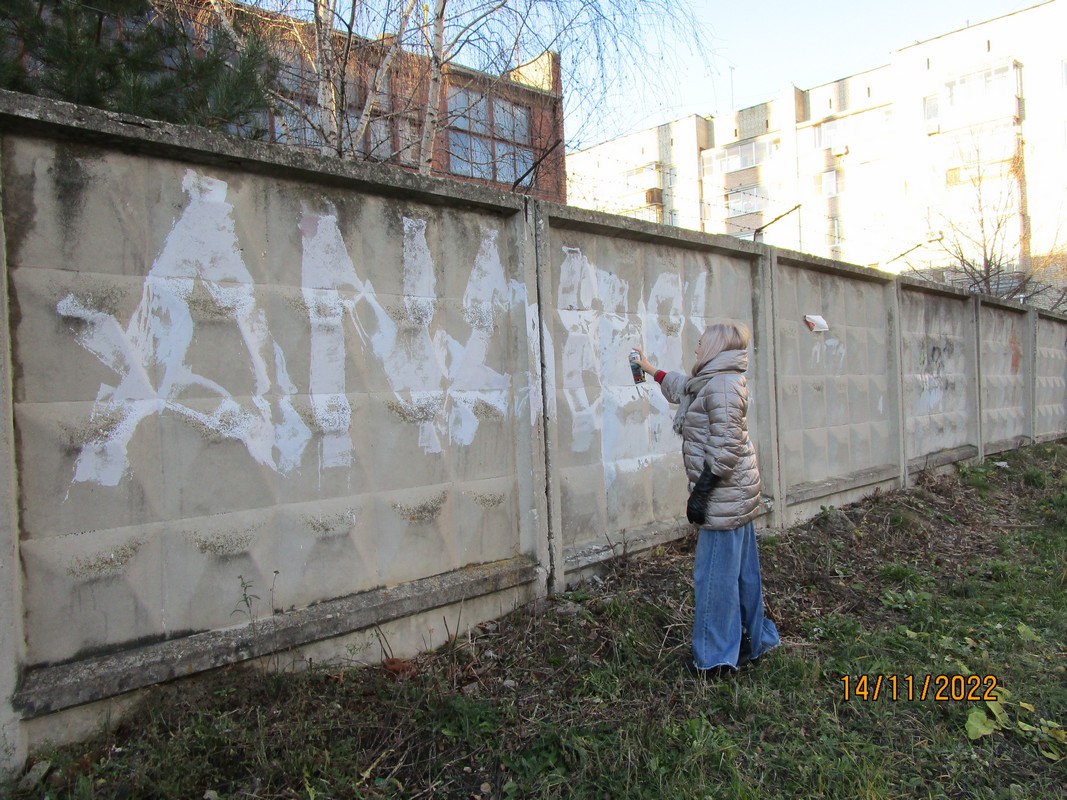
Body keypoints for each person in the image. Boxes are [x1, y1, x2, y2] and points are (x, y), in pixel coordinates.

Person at [632, 321, 779, 677]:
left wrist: (701, 493)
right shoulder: (714, 380)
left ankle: (714, 659)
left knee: (714, 577)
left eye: (701, 344)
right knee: (742, 574)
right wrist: (651, 369)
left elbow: (727, 446)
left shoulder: (724, 385)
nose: (696, 349)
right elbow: (683, 387)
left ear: (715, 346)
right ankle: (752, 640)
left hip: (723, 497)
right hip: (735, 496)